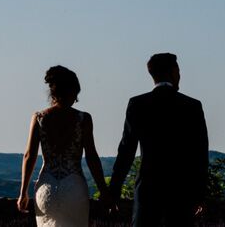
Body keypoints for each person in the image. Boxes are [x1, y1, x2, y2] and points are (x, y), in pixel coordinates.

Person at [107, 53, 208, 227]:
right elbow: (199, 154)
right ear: (173, 71)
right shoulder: (192, 106)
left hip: (148, 189)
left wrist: (114, 191)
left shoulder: (137, 104)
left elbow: (126, 151)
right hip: (181, 191)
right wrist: (200, 194)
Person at [17, 65, 110, 227]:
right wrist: (103, 190)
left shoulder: (39, 118)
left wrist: (23, 192)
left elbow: (29, 156)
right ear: (73, 93)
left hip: (46, 187)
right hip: (74, 187)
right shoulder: (83, 119)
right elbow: (91, 156)